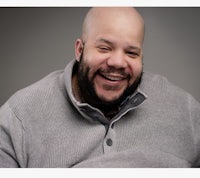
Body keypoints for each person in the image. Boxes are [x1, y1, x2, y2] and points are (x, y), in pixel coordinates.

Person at [0, 7, 200, 168]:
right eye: (104, 48)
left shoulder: (186, 111)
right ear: (80, 50)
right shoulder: (19, 118)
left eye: (131, 53)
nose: (118, 62)